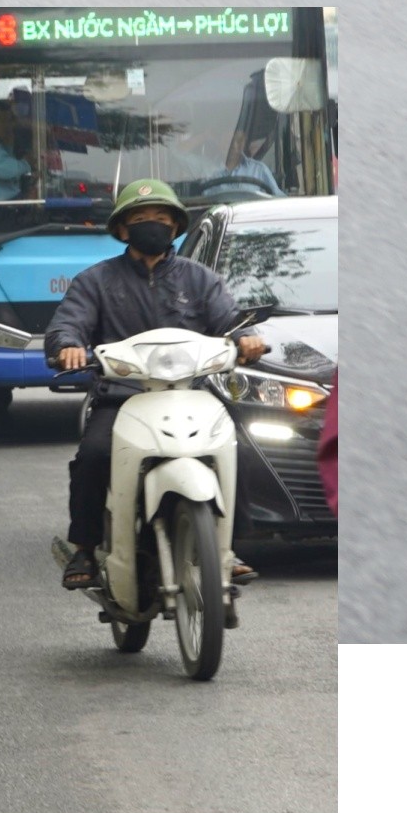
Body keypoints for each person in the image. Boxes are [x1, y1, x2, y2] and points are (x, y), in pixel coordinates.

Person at [46, 179, 266, 591]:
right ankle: (84, 546)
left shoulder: (200, 279)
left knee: (239, 447)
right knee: (93, 456)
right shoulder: (96, 281)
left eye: (162, 219)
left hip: (190, 395)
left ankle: (229, 548)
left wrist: (244, 339)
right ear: (123, 229)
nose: (153, 225)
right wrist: (69, 346)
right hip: (122, 398)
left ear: (175, 227)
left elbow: (230, 320)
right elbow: (68, 323)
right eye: (141, 219)